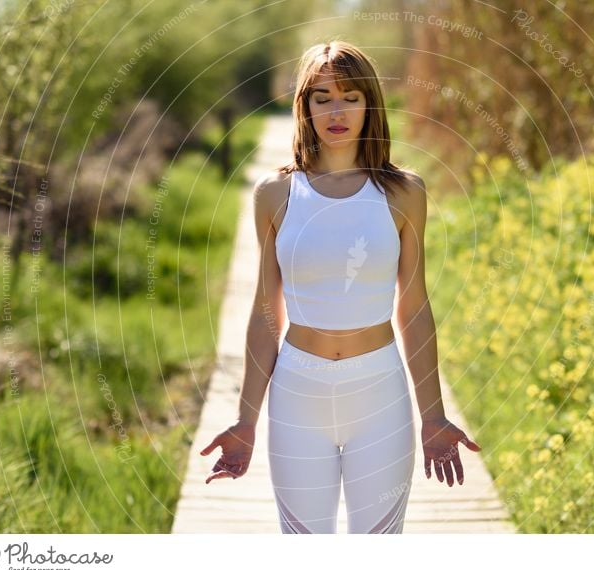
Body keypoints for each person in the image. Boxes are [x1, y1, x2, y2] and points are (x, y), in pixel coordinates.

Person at [200, 40, 481, 534]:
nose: (337, 111)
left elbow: (413, 306)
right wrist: (245, 421)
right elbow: (267, 312)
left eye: (351, 97)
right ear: (303, 106)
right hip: (297, 395)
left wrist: (433, 415)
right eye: (322, 97)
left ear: (369, 104)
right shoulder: (276, 193)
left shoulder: (404, 193)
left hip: (380, 394)